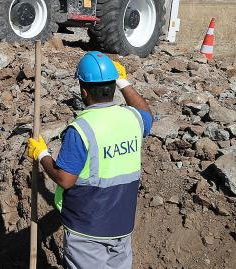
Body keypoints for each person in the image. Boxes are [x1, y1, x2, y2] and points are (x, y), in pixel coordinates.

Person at [27, 51, 153, 269]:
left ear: (83, 91)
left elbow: (65, 179)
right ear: (113, 86)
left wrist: (42, 155)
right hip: (122, 227)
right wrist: (124, 81)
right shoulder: (133, 118)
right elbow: (147, 114)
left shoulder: (81, 129)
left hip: (87, 232)